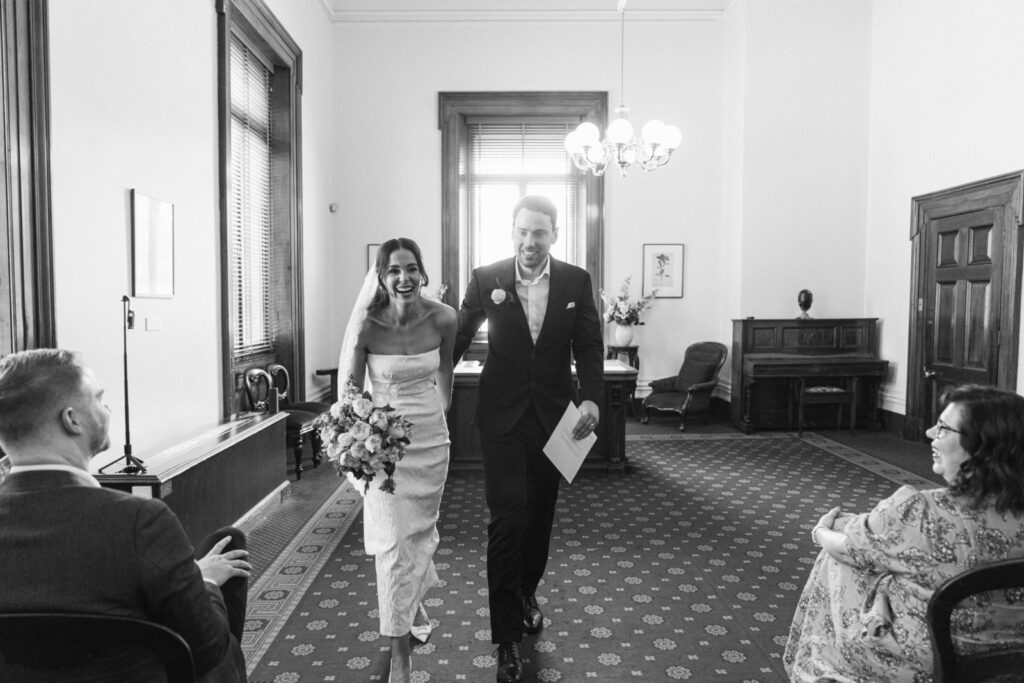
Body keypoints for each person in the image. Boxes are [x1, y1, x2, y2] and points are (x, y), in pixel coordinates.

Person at [0, 348, 251, 682]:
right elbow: (206, 648)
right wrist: (202, 580)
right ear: (72, 419)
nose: (107, 408)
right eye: (99, 398)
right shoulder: (140, 521)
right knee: (229, 551)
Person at [453, 195, 604, 683]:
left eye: (539, 233)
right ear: (512, 232)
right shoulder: (486, 279)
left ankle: (525, 591)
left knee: (539, 520)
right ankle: (506, 641)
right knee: (507, 522)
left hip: (555, 419)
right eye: (522, 232)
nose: (529, 242)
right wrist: (416, 387)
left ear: (554, 234)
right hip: (501, 419)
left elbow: (589, 346)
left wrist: (593, 400)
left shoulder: (576, 282)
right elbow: (453, 340)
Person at [784, 384, 1024, 681]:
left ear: (981, 446)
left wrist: (821, 530)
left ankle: (819, 670)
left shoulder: (920, 511)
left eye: (943, 428)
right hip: (1011, 664)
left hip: (921, 662)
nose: (929, 433)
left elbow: (846, 548)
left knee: (836, 559)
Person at [337, 237, 457, 683]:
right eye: (393, 270)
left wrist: (438, 414)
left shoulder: (444, 317)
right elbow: (349, 396)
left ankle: (407, 603)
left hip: (429, 443)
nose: (403, 278)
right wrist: (359, 443)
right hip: (381, 448)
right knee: (391, 546)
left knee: (419, 537)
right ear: (381, 276)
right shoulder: (367, 325)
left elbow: (444, 370)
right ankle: (400, 651)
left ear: (421, 271)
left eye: (410, 269)